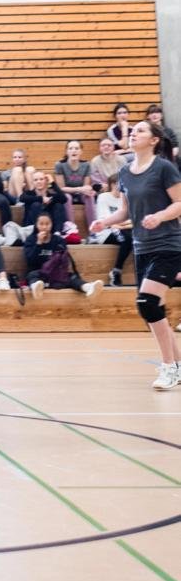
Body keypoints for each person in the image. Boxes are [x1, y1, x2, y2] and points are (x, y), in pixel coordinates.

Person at [92, 119, 181, 389]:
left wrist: (160, 215)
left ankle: (168, 368)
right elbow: (124, 212)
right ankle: (177, 365)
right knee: (151, 309)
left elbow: (179, 203)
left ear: (154, 140)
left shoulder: (164, 168)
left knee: (147, 303)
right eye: (132, 131)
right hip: (142, 247)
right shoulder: (125, 172)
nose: (133, 134)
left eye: (140, 130)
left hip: (168, 244)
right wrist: (104, 222)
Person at [24, 214, 101, 298]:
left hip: (55, 273)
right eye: (41, 224)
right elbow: (30, 260)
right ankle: (36, 288)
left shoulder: (58, 240)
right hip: (38, 272)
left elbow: (64, 260)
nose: (44, 227)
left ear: (52, 224)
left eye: (47, 224)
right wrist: (39, 243)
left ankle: (88, 287)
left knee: (70, 277)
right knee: (32, 275)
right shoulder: (30, 240)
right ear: (36, 225)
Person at [90, 176, 133, 286]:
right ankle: (116, 272)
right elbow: (107, 222)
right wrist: (123, 224)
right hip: (105, 232)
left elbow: (132, 220)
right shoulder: (103, 197)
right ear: (113, 184)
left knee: (136, 237)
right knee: (128, 238)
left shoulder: (126, 199)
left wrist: (121, 225)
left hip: (123, 230)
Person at [54, 140, 96, 228]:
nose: (74, 151)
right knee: (67, 197)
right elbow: (61, 188)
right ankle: (72, 229)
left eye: (77, 148)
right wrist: (79, 189)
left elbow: (86, 186)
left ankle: (94, 230)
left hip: (80, 194)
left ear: (81, 152)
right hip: (66, 193)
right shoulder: (60, 165)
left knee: (90, 196)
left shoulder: (86, 165)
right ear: (67, 151)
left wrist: (87, 189)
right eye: (71, 148)